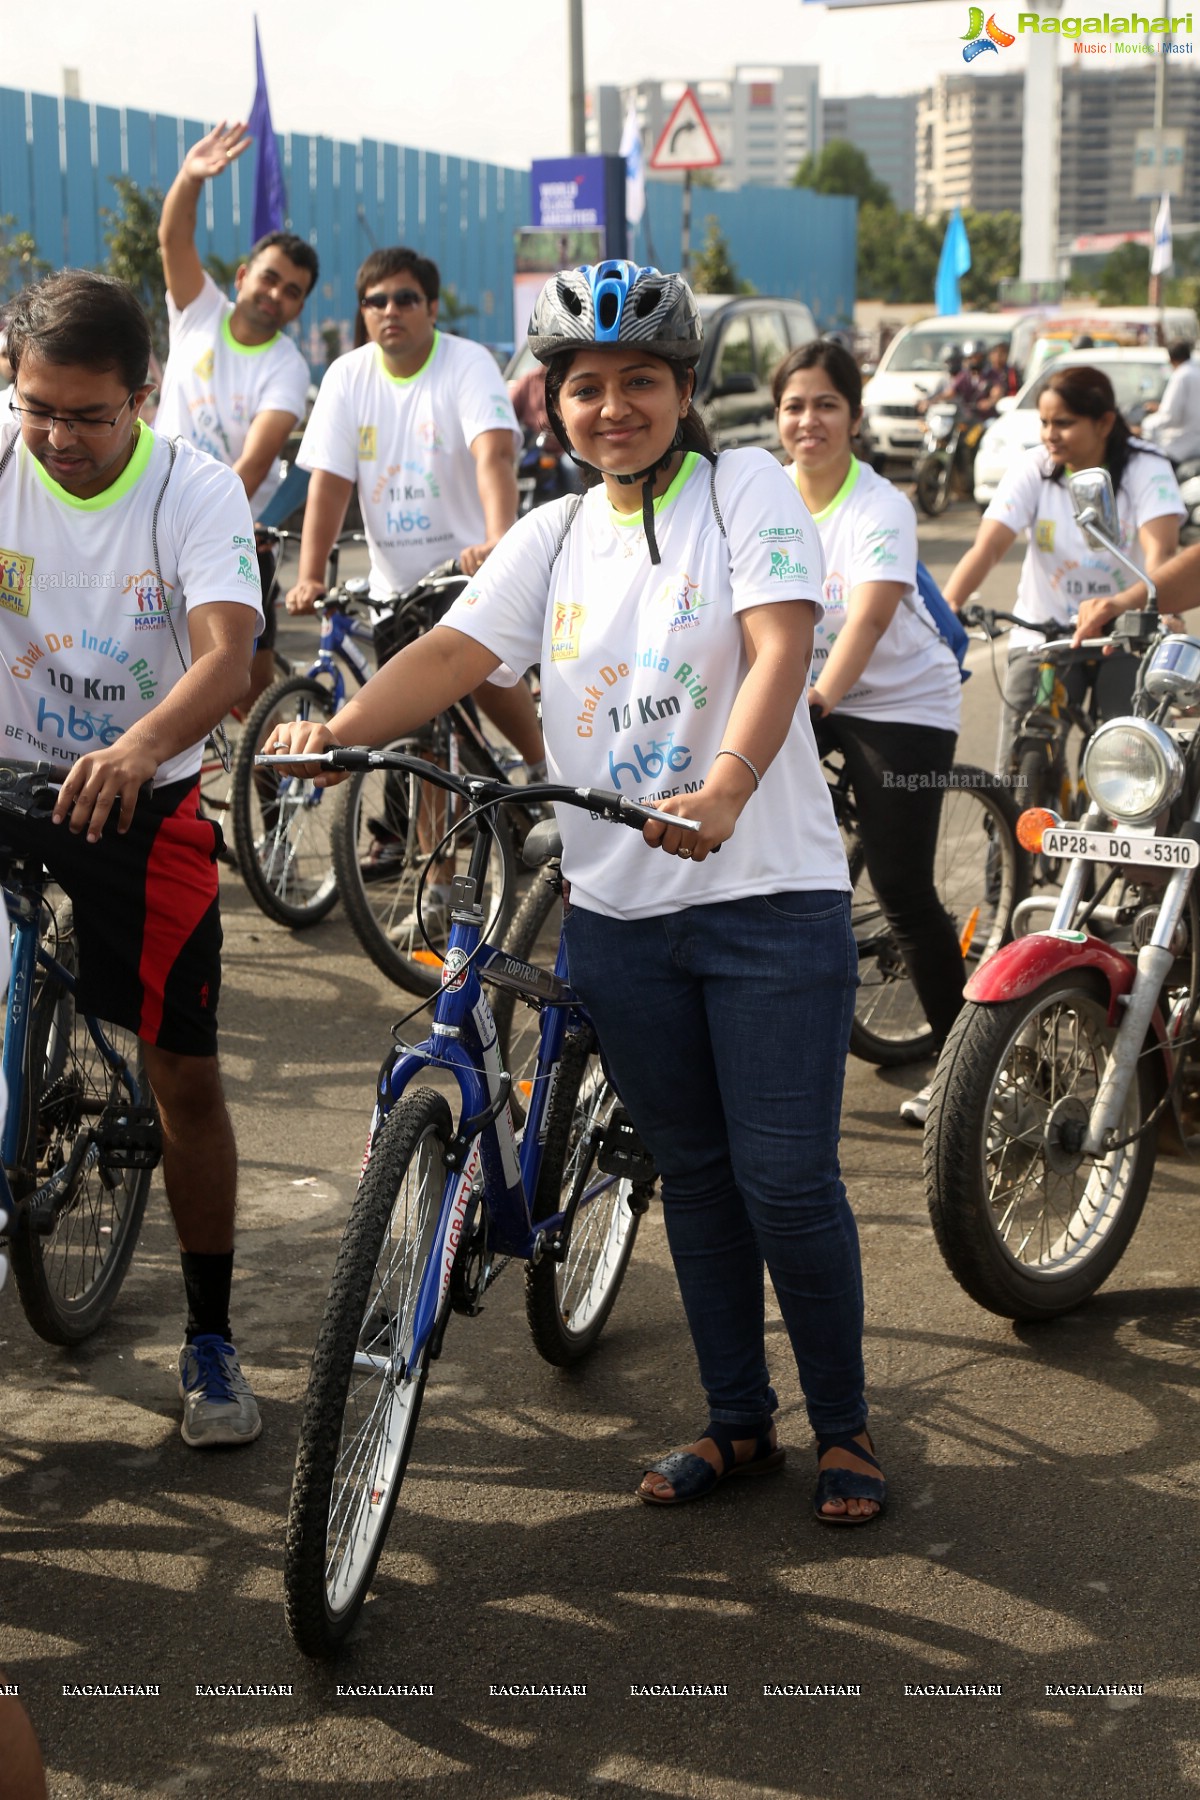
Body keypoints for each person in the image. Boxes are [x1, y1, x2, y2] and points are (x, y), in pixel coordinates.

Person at [274, 259, 887, 1525]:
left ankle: (846, 1426)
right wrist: (336, 729)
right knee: (697, 1177)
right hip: (619, 918)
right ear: (553, 401)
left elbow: (781, 641)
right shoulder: (551, 532)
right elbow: (452, 652)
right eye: (587, 386)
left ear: (682, 390)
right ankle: (737, 1425)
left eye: (641, 383)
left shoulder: (743, 488)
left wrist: (723, 785)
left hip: (768, 900)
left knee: (785, 1180)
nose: (614, 408)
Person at [1, 270, 265, 1448]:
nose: (57, 436)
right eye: (35, 407)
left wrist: (140, 746)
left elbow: (231, 660)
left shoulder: (192, 491)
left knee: (185, 1080)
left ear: (144, 395)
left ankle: (210, 1342)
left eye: (86, 414)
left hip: (137, 801)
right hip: (9, 776)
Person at [284, 244, 544, 842]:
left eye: (405, 297)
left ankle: (538, 769)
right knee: (426, 742)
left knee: (484, 674)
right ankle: (438, 875)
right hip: (398, 587)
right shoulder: (347, 376)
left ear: (430, 306)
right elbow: (328, 483)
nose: (390, 309)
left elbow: (494, 453)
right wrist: (309, 574)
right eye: (375, 301)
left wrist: (499, 538)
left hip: (469, 570)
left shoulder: (466, 362)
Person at [773, 340, 963, 1130]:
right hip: (807, 690)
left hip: (902, 701)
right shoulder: (767, 497)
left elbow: (874, 616)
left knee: (902, 886)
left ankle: (964, 1069)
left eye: (825, 404)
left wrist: (817, 698)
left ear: (853, 416)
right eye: (794, 405)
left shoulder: (879, 504)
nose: (808, 420)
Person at [942, 363, 1184, 780]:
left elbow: (1159, 550)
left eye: (1064, 423)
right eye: (1044, 422)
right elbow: (988, 547)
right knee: (1018, 765)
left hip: (1124, 637)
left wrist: (1164, 609)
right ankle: (1007, 842)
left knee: (1131, 764)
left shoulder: (1147, 467)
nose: (1050, 434)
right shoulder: (1033, 466)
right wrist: (948, 608)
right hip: (1046, 634)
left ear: (1104, 422)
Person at [156, 120, 317, 706]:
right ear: (244, 276)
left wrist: (205, 511)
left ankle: (268, 791)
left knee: (247, 690)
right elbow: (173, 238)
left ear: (299, 306)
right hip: (153, 511)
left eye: (293, 290)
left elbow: (254, 462)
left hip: (239, 532)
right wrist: (190, 178)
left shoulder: (287, 365)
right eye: (270, 278)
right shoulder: (198, 311)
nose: (277, 294)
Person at [1139, 340, 1200, 466]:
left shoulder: (1181, 376)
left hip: (1180, 448)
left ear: (1171, 359)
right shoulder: (1195, 372)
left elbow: (1170, 416)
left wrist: (1145, 426)